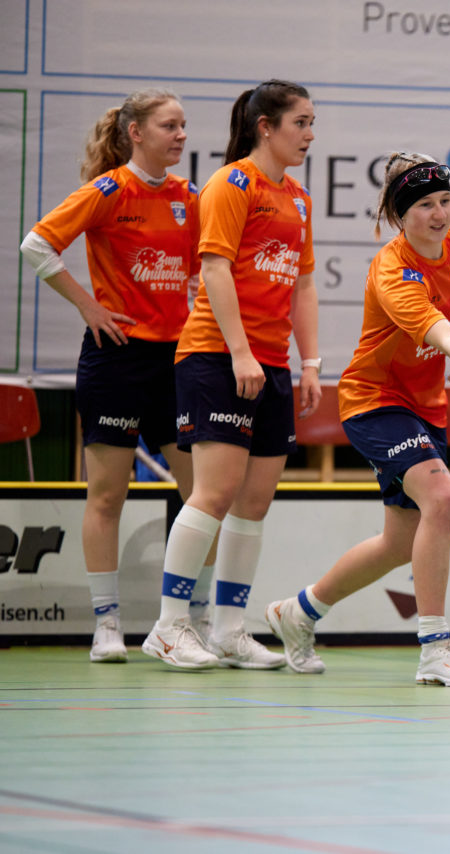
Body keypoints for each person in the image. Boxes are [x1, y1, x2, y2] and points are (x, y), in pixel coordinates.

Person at [265, 153, 450, 683]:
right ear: (401, 215)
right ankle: (435, 648)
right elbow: (438, 331)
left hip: (426, 406)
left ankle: (300, 611)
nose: (440, 213)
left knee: (400, 541)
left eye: (445, 200)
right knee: (443, 499)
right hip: (374, 401)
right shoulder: (391, 269)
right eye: (425, 204)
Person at [19, 89, 203, 663]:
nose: (181, 136)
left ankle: (185, 620)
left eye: (183, 127)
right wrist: (88, 306)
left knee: (201, 494)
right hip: (116, 359)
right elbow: (36, 245)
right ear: (135, 133)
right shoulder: (107, 191)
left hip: (176, 363)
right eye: (170, 126)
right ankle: (107, 625)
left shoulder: (189, 198)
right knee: (108, 495)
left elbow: (201, 270)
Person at [141, 79, 319, 670]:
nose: (309, 135)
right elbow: (214, 268)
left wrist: (310, 362)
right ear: (265, 125)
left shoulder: (297, 197)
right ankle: (168, 627)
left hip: (271, 365)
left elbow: (304, 282)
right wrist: (241, 352)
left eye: (313, 123)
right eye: (300, 123)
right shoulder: (231, 183)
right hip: (217, 357)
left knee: (254, 503)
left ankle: (228, 629)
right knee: (212, 494)